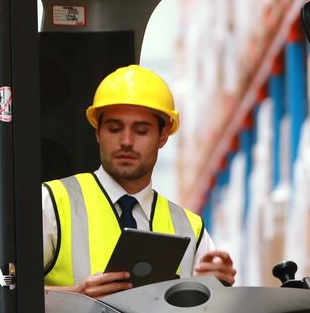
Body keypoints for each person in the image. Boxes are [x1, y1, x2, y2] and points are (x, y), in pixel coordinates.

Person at [43, 65, 236, 298]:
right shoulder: (53, 203)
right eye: (114, 129)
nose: (126, 141)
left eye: (141, 131)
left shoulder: (191, 229)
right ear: (97, 133)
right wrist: (77, 295)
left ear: (163, 137)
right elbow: (8, 292)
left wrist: (219, 287)